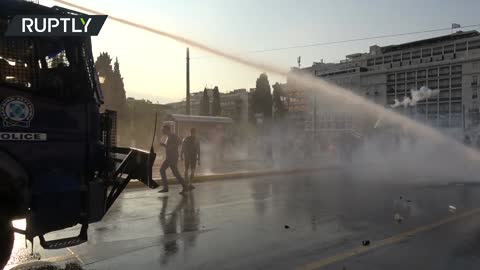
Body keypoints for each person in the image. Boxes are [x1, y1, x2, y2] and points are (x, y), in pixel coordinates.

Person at [158, 125, 188, 194]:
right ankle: (185, 186)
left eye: (163, 129)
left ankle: (166, 187)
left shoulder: (173, 136)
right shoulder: (168, 137)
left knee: (162, 170)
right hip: (170, 157)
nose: (162, 131)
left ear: (167, 129)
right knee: (175, 173)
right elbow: (168, 147)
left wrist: (172, 146)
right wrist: (163, 145)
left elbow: (180, 142)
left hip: (172, 157)